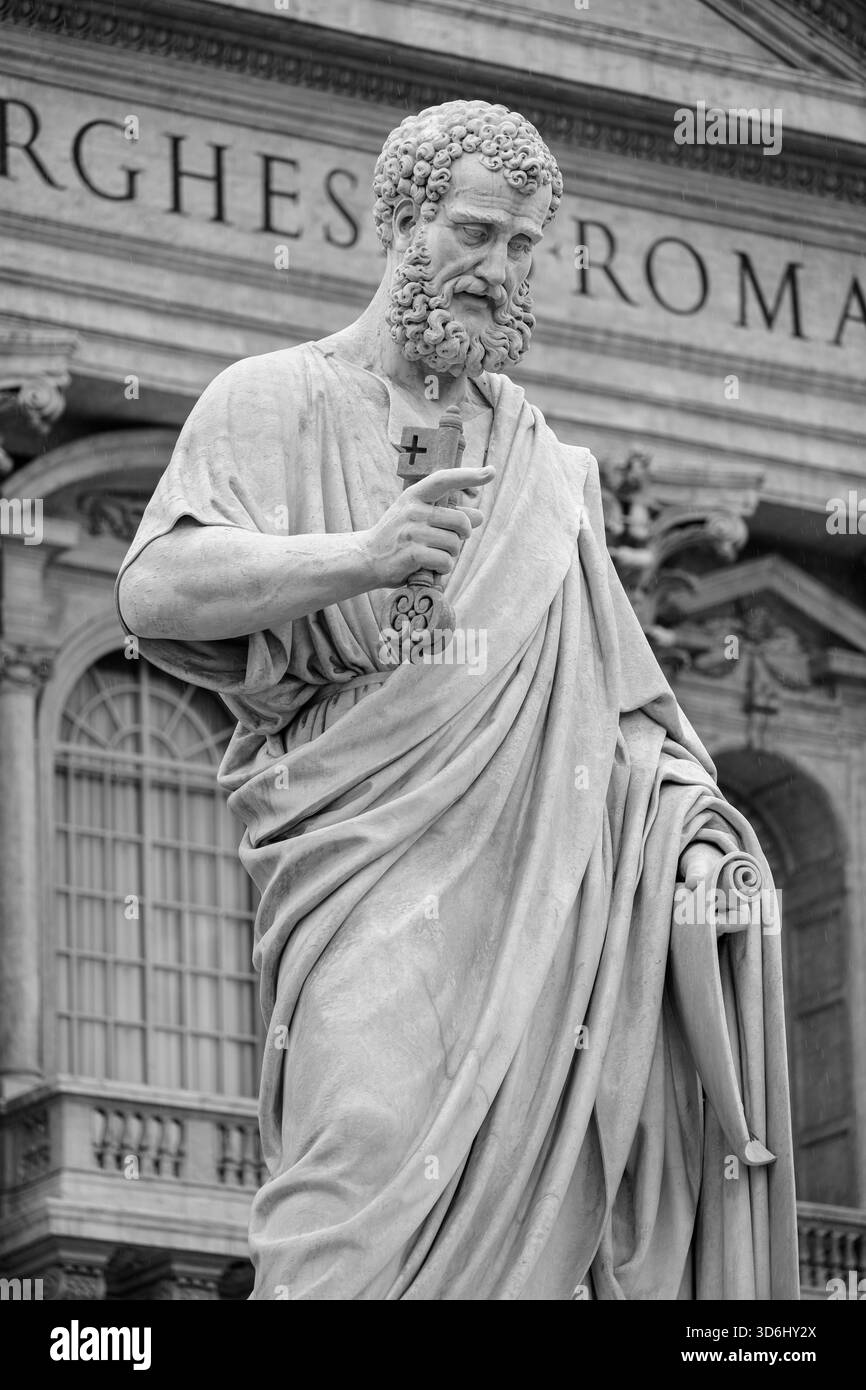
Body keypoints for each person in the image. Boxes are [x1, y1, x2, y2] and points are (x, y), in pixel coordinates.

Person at [116, 100, 798, 1300]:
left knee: (538, 1230)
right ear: (398, 222)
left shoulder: (552, 471)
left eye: (524, 246)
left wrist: (691, 840)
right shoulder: (274, 397)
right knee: (354, 1174)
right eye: (476, 232)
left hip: (539, 900)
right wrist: (361, 556)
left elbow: (627, 716)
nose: (498, 269)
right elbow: (154, 589)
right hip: (361, 878)